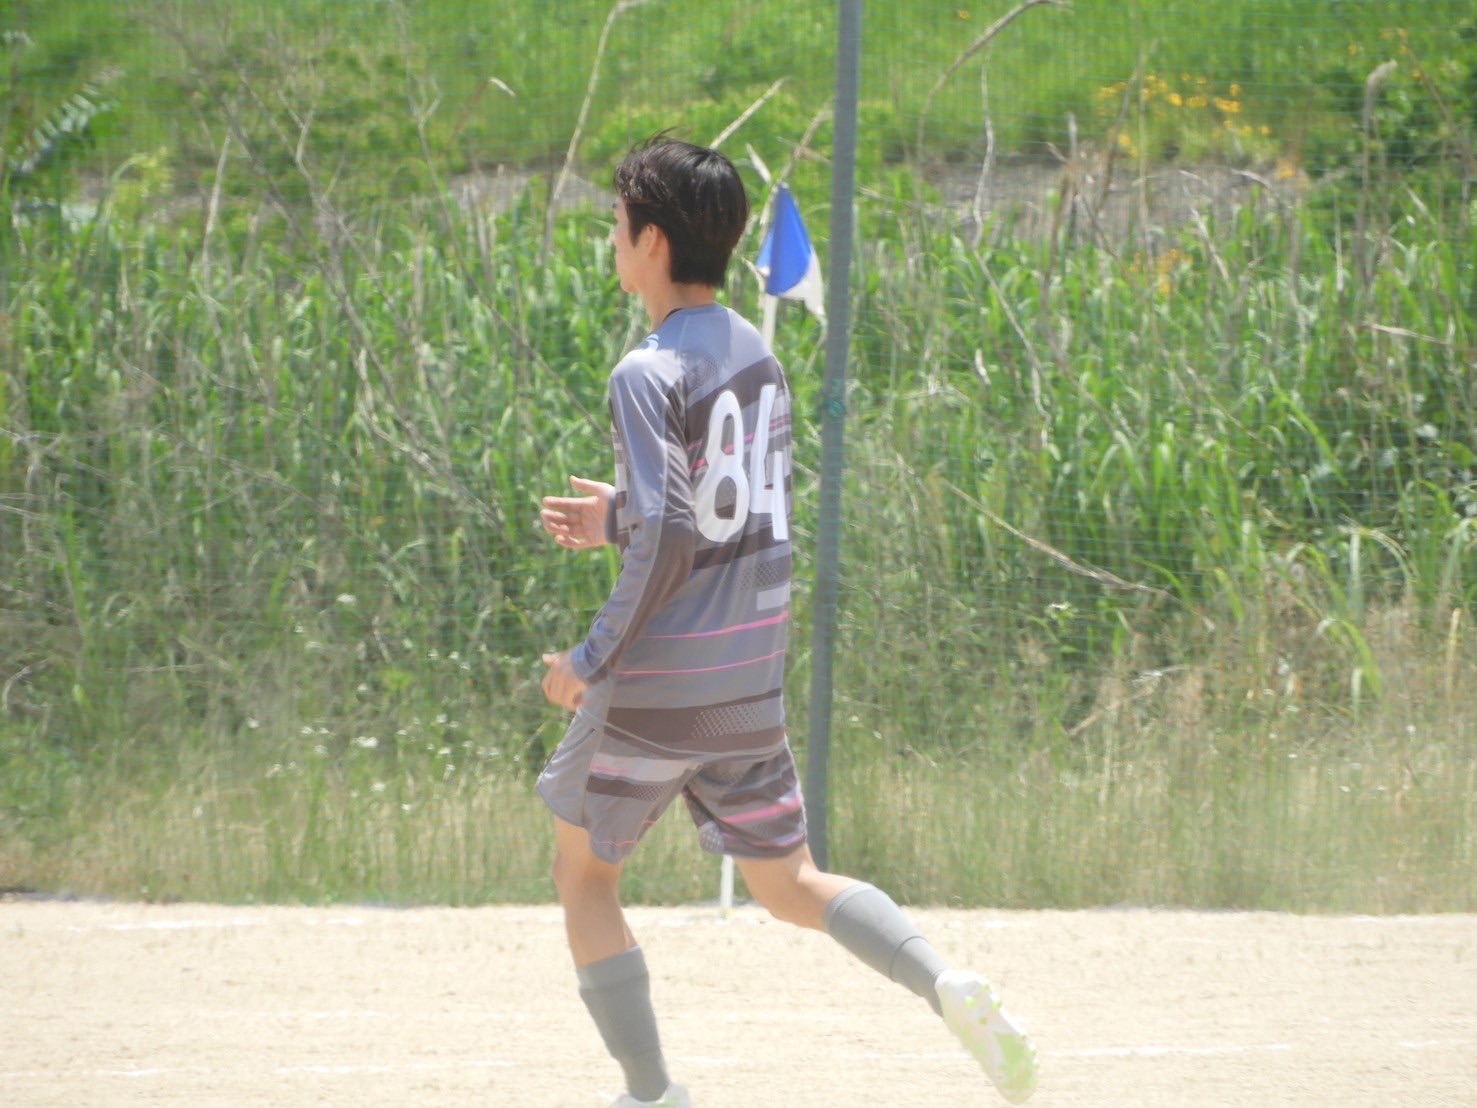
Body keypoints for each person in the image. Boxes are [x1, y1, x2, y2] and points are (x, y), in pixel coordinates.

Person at [537, 136, 1039, 1108]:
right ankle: (945, 983)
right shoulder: (756, 355)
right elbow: (725, 512)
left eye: (617, 224)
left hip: (658, 681)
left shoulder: (644, 370)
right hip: (746, 678)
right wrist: (620, 515)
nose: (613, 239)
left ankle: (651, 1094)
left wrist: (592, 655)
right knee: (791, 882)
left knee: (584, 877)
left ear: (650, 240)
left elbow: (673, 532)